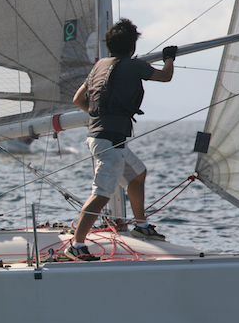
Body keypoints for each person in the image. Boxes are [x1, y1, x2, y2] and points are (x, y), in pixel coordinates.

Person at [65, 18, 176, 261]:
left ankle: (141, 225)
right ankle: (76, 245)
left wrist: (100, 116)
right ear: (132, 47)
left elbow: (78, 99)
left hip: (103, 137)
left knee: (137, 174)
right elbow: (166, 76)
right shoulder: (134, 65)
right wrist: (169, 57)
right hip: (109, 141)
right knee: (101, 194)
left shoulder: (99, 65)